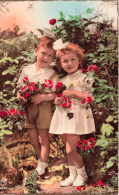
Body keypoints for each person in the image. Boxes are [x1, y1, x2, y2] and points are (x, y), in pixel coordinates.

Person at [50, 39, 95, 186]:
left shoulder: (85, 78)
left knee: (70, 149)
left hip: (77, 115)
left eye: (72, 59)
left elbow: (90, 98)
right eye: (65, 61)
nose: (69, 63)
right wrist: (58, 100)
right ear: (60, 64)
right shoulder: (62, 79)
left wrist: (73, 93)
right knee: (67, 148)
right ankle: (72, 175)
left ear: (79, 60)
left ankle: (82, 175)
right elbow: (61, 95)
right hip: (63, 114)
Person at [17, 37, 58, 176]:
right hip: (29, 107)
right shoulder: (26, 70)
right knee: (33, 138)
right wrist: (20, 96)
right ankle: (43, 162)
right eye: (43, 53)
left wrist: (43, 97)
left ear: (53, 58)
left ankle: (41, 167)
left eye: (50, 55)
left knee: (43, 138)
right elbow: (20, 87)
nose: (46, 57)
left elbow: (55, 94)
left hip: (44, 106)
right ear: (36, 51)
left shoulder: (52, 73)